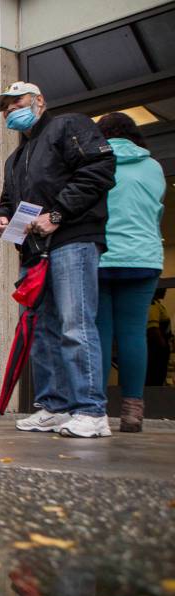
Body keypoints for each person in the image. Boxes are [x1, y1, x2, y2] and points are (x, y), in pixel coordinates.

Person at [0, 81, 117, 438]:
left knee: (75, 324)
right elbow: (6, 201)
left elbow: (99, 170)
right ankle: (54, 407)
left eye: (17, 102)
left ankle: (91, 410)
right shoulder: (15, 159)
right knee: (42, 332)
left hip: (72, 240)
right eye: (6, 107)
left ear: (40, 101)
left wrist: (58, 214)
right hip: (34, 251)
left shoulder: (69, 126)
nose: (11, 110)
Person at [93, 112, 166, 433]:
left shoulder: (95, 164)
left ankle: (94, 409)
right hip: (144, 259)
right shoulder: (154, 167)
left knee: (101, 335)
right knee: (134, 334)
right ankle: (133, 410)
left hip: (102, 257)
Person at [146, 289, 171, 387]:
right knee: (155, 375)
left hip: (158, 346)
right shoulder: (153, 305)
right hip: (156, 348)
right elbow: (153, 329)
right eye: (163, 289)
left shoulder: (157, 304)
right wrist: (163, 345)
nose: (165, 291)